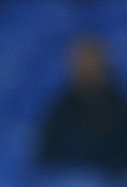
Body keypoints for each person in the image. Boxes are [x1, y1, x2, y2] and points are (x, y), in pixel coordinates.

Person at [38, 36, 127, 172]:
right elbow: (48, 153)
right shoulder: (62, 107)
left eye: (92, 64)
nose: (88, 70)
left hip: (108, 183)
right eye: (83, 65)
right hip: (68, 181)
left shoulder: (118, 106)